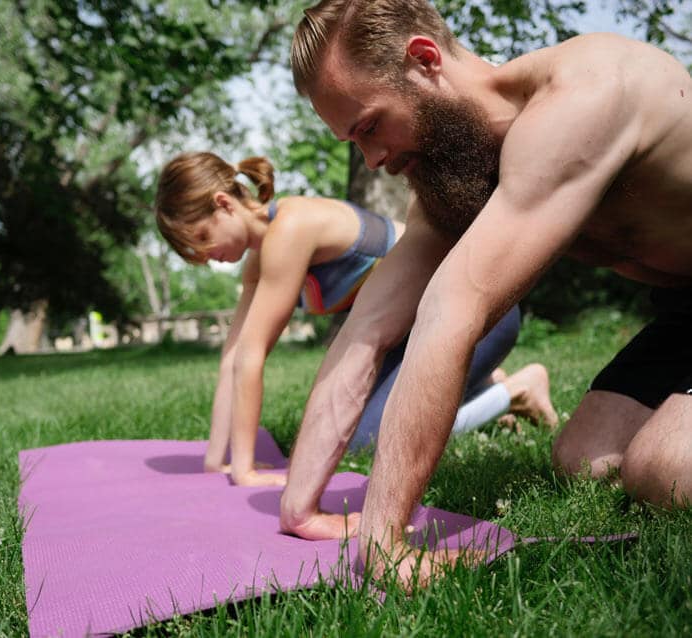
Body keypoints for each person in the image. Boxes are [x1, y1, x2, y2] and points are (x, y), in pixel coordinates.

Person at [279, 0, 692, 589]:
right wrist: (301, 506)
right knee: (584, 462)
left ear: (424, 60)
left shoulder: (586, 93)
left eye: (370, 125)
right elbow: (367, 329)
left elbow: (452, 313)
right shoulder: (455, 175)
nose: (373, 159)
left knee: (663, 472)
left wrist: (383, 544)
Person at [154, 151, 557, 487]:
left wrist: (243, 470)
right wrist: (214, 460)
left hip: (476, 313)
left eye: (203, 238)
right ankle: (485, 388)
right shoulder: (260, 258)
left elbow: (254, 353)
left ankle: (518, 390)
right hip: (414, 337)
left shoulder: (291, 227)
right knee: (342, 433)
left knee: (369, 441)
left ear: (225, 204)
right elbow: (233, 356)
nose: (205, 258)